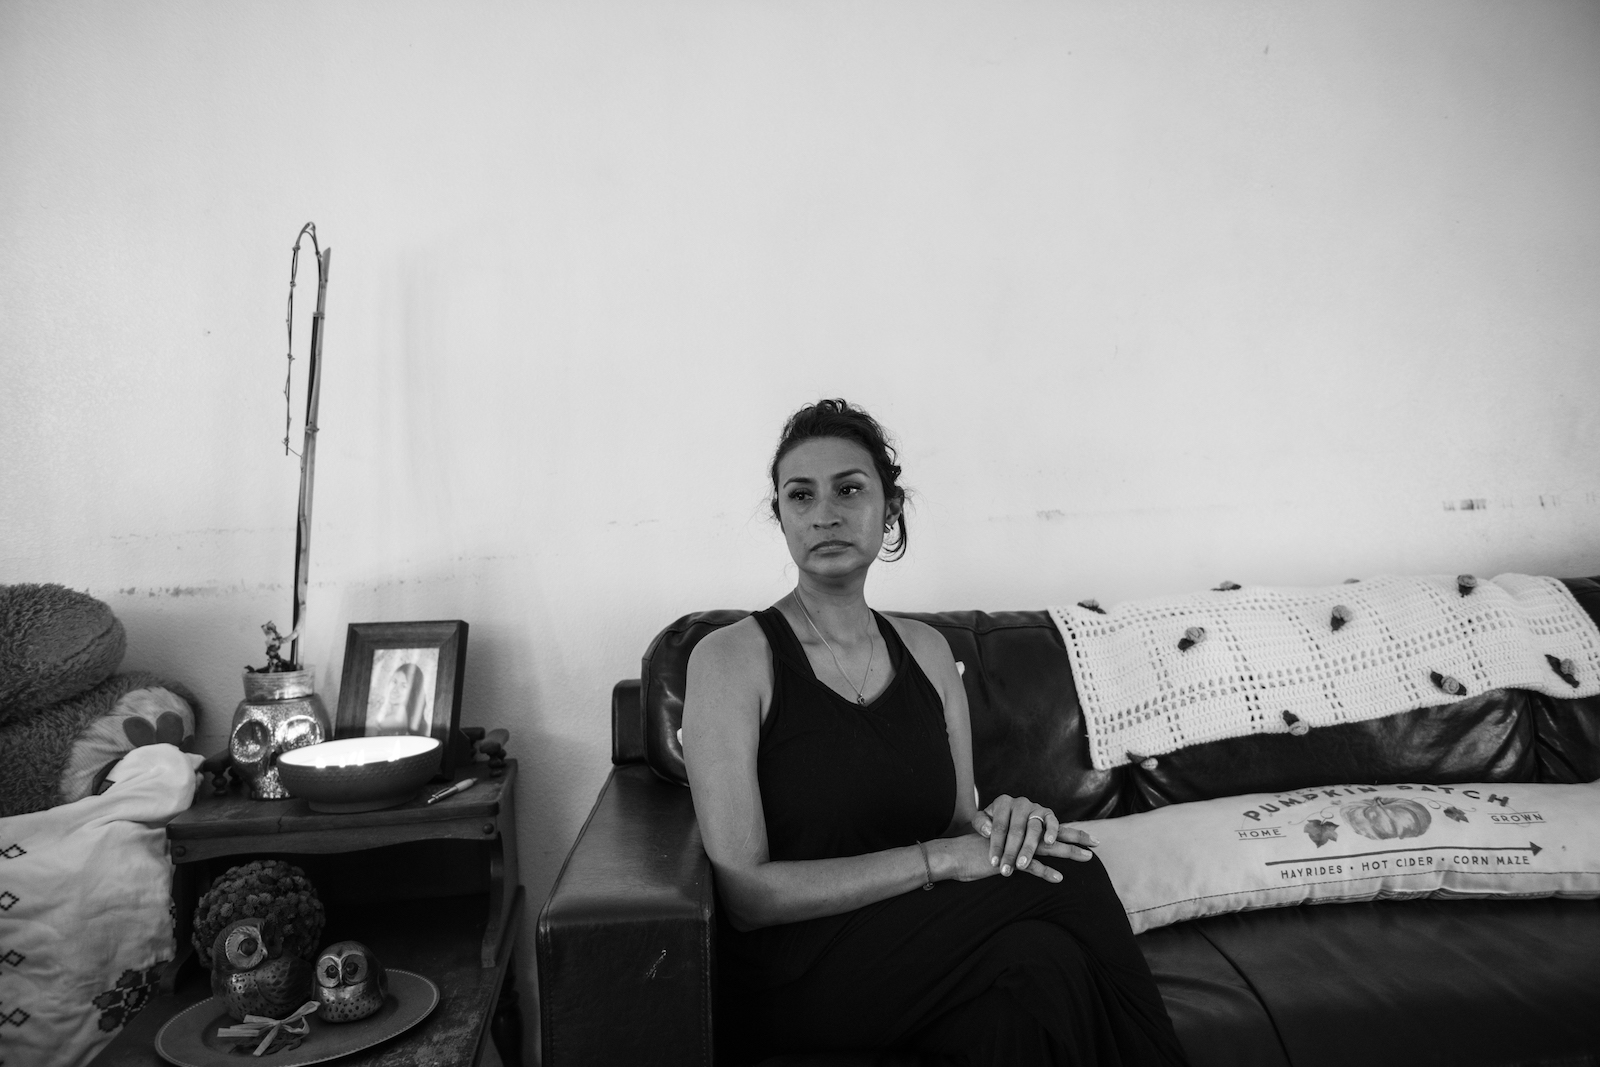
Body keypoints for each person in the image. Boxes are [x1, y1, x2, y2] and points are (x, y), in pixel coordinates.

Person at [682, 399, 1188, 1066]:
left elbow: (956, 826)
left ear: (889, 508)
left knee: (1042, 963)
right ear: (781, 517)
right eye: (800, 495)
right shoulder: (729, 657)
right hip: (796, 976)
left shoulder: (925, 650)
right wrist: (942, 860)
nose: (825, 512)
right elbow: (746, 895)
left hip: (916, 951)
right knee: (1076, 874)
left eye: (849, 488)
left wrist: (1002, 823)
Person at [368, 661, 429, 736]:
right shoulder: (391, 714)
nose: (395, 689)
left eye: (403, 686)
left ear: (412, 692)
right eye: (394, 682)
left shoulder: (395, 720)